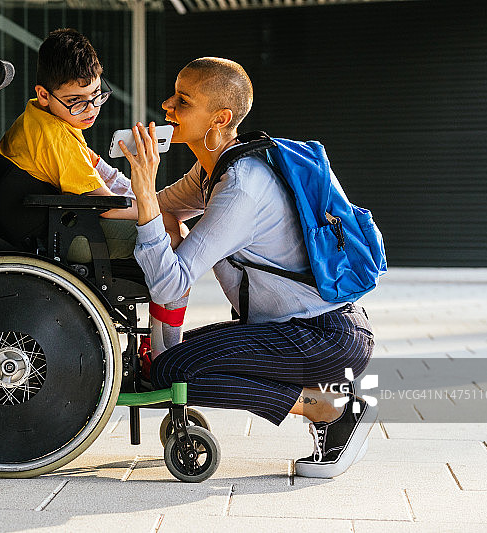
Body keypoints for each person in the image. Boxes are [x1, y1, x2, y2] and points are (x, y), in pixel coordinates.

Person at [119, 57, 378, 478]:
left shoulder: (239, 187)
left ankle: (328, 410)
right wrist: (85, 198)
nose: (167, 106)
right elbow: (148, 209)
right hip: (294, 329)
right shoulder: (211, 172)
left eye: (183, 100)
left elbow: (170, 283)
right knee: (161, 366)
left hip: (323, 336)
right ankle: (327, 405)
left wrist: (145, 194)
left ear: (219, 118)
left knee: (173, 369)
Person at [0, 28, 187, 355]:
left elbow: (101, 171)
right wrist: (152, 211)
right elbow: (105, 205)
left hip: (58, 222)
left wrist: (152, 204)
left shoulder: (44, 116)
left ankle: (158, 344)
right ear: (44, 94)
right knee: (171, 238)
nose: (90, 109)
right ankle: (164, 354)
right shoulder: (54, 138)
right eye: (76, 102)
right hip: (64, 234)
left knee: (165, 221)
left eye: (97, 95)